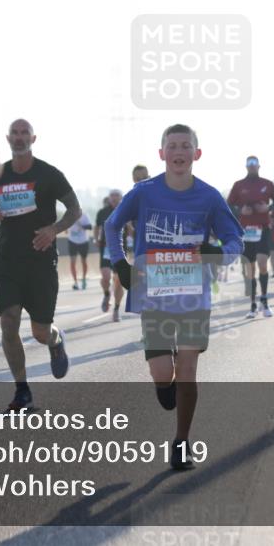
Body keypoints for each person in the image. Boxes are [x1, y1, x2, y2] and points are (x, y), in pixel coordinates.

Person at [106, 124, 242, 471]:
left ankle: (182, 443)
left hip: (195, 297)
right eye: (172, 146)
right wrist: (120, 264)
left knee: (187, 370)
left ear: (197, 153)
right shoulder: (143, 192)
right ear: (161, 153)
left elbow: (235, 242)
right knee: (163, 373)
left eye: (185, 146)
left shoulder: (210, 197)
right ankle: (164, 387)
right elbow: (112, 225)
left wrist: (216, 252)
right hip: (155, 297)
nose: (179, 152)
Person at [0, 119, 80, 411]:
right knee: (9, 322)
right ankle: (22, 391)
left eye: (24, 133)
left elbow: (75, 209)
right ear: (8, 138)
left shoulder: (49, 174)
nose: (19, 138)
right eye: (15, 134)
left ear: (33, 138)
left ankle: (55, 341)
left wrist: (53, 230)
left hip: (40, 262)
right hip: (7, 260)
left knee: (40, 332)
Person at [227, 156, 274, 318]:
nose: (252, 166)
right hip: (246, 231)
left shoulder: (267, 184)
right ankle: (253, 305)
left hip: (263, 229)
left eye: (254, 164)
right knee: (250, 270)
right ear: (246, 166)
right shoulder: (238, 185)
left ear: (258, 166)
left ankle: (265, 301)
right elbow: (228, 205)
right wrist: (240, 210)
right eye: (249, 164)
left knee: (262, 265)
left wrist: (268, 208)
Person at [94, 189, 124, 321]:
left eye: (116, 195)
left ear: (121, 197)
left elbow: (133, 231)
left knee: (118, 282)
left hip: (121, 250)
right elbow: (96, 227)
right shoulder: (102, 212)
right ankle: (107, 294)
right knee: (105, 277)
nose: (114, 197)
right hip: (106, 248)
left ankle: (116, 309)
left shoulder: (127, 210)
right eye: (112, 195)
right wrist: (96, 239)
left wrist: (129, 226)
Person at [67, 210, 92, 290]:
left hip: (83, 241)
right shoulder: (68, 215)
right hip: (72, 241)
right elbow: (64, 227)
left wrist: (82, 226)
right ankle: (75, 282)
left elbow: (90, 227)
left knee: (83, 261)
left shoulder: (84, 215)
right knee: (72, 262)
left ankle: (84, 279)